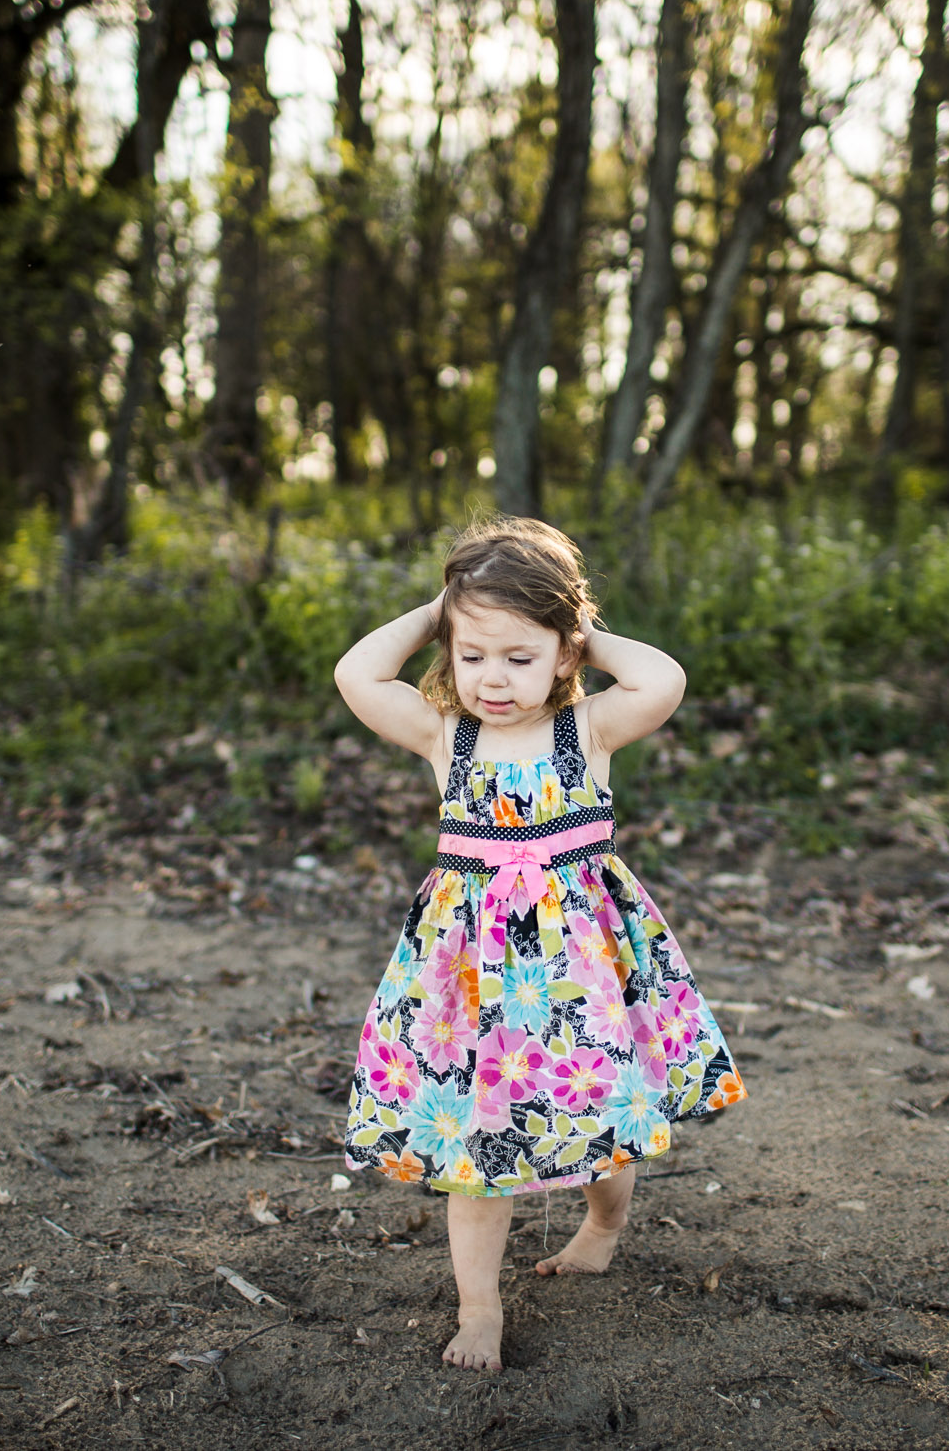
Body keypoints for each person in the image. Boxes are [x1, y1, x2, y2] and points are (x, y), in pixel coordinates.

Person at [332, 516, 747, 1372]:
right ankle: (478, 1307)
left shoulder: (587, 731)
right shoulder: (446, 736)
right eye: (471, 654)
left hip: (577, 977)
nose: (492, 678)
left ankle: (602, 1225)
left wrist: (584, 637)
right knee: (478, 1149)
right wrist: (441, 610)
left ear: (565, 655)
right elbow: (357, 673)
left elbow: (662, 677)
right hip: (470, 983)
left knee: (600, 1121)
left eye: (520, 657)